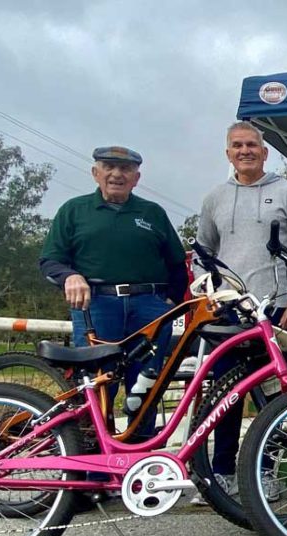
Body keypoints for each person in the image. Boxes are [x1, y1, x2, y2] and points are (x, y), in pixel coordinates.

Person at [191, 121, 287, 504]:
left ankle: (265, 471)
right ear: (228, 153)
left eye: (251, 145)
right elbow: (202, 253)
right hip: (227, 312)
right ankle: (222, 473)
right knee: (225, 394)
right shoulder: (214, 198)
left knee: (274, 394)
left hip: (274, 306)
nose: (244, 151)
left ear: (264, 153)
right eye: (236, 146)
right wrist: (208, 294)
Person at [40, 145, 187, 441]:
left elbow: (177, 264)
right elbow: (50, 260)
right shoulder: (74, 210)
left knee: (145, 389)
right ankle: (92, 473)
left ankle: (137, 465)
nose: (117, 174)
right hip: (97, 306)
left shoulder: (152, 213)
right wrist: (70, 276)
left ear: (137, 177)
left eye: (126, 169)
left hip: (149, 309)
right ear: (96, 173)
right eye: (109, 167)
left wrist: (168, 304)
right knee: (97, 389)